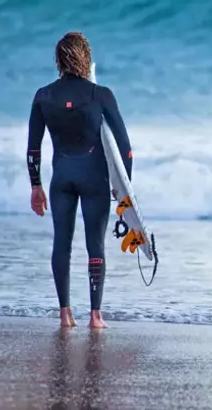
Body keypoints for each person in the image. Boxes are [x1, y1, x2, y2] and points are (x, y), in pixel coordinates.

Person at [26, 31, 133, 329]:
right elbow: (125, 148)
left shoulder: (43, 96)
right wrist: (124, 189)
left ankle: (64, 313)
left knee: (62, 243)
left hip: (61, 179)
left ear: (59, 60)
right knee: (94, 246)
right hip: (93, 179)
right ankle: (95, 316)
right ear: (85, 57)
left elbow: (33, 148)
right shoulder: (101, 95)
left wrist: (35, 185)